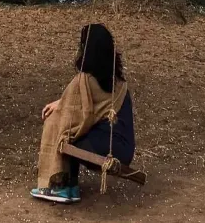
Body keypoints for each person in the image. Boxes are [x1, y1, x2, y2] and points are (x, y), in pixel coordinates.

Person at [31, 22, 136, 204]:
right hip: (125, 151)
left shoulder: (84, 81)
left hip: (105, 151)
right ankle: (70, 187)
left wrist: (59, 106)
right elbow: (90, 105)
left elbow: (72, 114)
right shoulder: (118, 83)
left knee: (62, 129)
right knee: (74, 129)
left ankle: (63, 185)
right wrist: (61, 102)